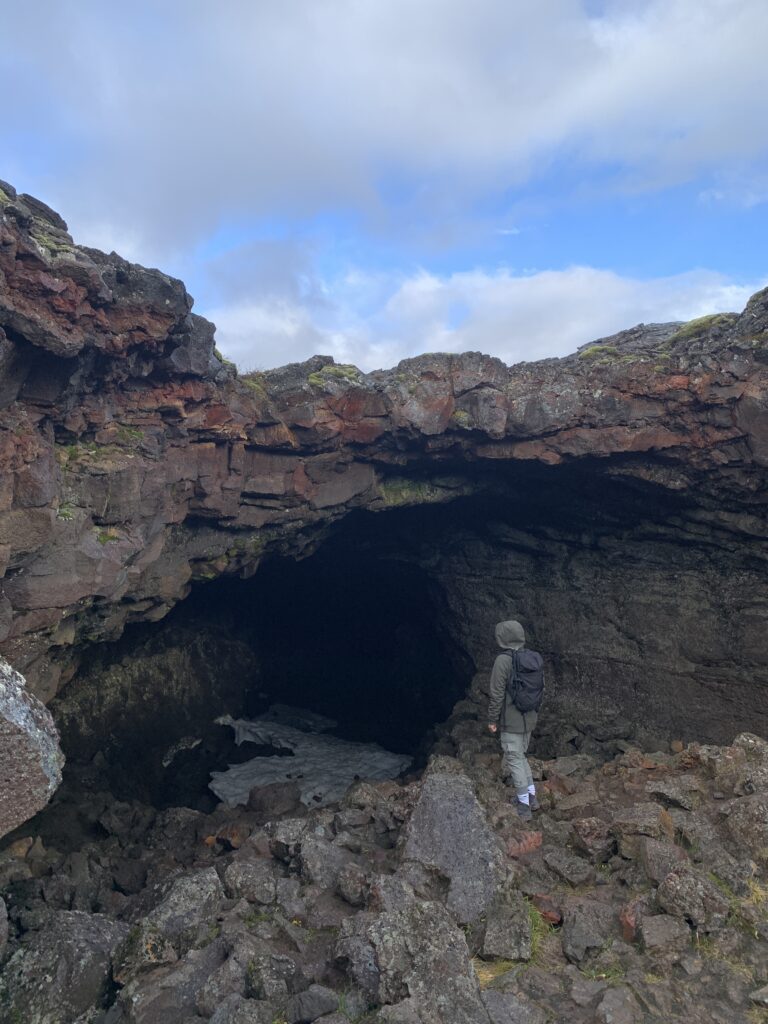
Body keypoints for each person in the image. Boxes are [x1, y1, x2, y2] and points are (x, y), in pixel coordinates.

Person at [487, 619, 542, 821]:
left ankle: (523, 807)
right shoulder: (531, 658)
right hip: (529, 718)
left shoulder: (503, 660)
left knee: (514, 760)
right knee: (521, 756)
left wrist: (492, 719)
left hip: (512, 720)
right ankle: (531, 799)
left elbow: (497, 693)